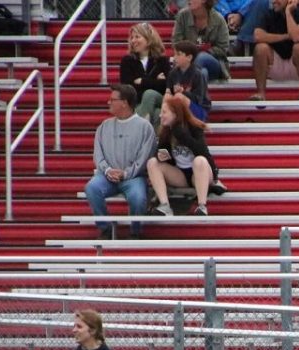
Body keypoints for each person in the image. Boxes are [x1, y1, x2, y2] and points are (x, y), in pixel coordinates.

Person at [84, 84, 156, 240]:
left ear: (124, 102)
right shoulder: (104, 126)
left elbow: (145, 157)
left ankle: (136, 231)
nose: (108, 102)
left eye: (112, 99)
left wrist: (126, 173)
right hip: (107, 176)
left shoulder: (145, 127)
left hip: (134, 176)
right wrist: (108, 170)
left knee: (137, 197)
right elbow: (98, 154)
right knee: (91, 188)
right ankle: (105, 228)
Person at [146, 95, 224, 218]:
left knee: (199, 161)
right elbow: (166, 158)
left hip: (199, 173)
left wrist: (182, 135)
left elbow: (203, 152)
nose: (161, 115)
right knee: (152, 162)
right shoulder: (165, 131)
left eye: (164, 112)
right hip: (180, 175)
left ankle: (202, 206)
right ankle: (165, 205)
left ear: (175, 114)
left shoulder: (194, 128)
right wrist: (162, 153)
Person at [250, 0, 299, 103]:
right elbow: (257, 36)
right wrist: (286, 36)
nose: (273, 1)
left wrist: (288, 13)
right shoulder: (268, 14)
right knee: (260, 48)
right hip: (277, 64)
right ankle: (260, 94)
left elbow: (296, 38)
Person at [119, 23, 171, 128]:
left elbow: (167, 85)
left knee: (150, 94)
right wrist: (155, 81)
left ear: (149, 39)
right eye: (132, 37)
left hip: (159, 99)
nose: (133, 41)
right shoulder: (127, 61)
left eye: (137, 37)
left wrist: (142, 81)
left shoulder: (162, 60)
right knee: (156, 114)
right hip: (137, 102)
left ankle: (139, 131)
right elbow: (127, 88)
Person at [171, 0, 231, 82]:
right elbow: (176, 42)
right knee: (203, 73)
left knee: (202, 57)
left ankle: (186, 81)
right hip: (187, 61)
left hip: (213, 63)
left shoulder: (218, 20)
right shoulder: (182, 16)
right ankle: (195, 89)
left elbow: (223, 48)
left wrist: (205, 50)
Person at [165, 40, 212, 122]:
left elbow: (198, 100)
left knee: (179, 97)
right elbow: (168, 92)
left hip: (198, 109)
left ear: (189, 57)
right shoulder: (173, 73)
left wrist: (183, 92)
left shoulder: (198, 75)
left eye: (178, 54)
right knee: (167, 98)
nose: (174, 57)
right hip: (179, 107)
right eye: (174, 54)